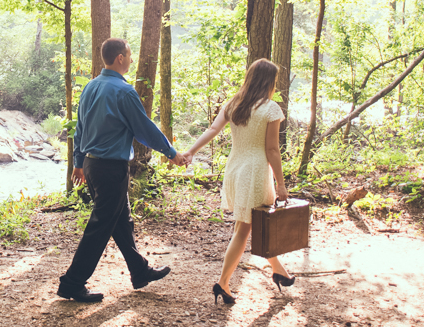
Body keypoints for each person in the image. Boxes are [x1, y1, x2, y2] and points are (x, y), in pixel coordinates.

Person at [57, 38, 187, 303]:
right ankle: (71, 283)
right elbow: (144, 128)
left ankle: (139, 271)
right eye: (129, 55)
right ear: (119, 58)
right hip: (111, 168)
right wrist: (171, 153)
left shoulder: (91, 87)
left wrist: (79, 163)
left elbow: (80, 129)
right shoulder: (123, 91)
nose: (131, 59)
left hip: (93, 166)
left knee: (121, 221)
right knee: (100, 226)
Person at [182, 58, 294, 305]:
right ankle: (223, 282)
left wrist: (191, 151)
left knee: (250, 224)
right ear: (269, 82)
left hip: (235, 168)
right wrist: (281, 184)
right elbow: (272, 150)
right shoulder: (270, 109)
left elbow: (212, 129)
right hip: (254, 171)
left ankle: (279, 271)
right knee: (245, 228)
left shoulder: (235, 103)